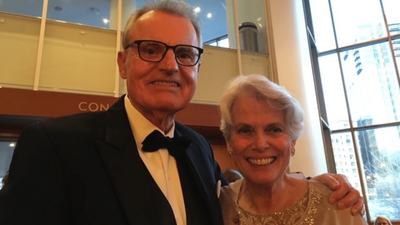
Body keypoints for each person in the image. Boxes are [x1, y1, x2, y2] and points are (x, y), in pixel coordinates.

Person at [0, 1, 363, 224]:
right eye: (152, 49)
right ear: (123, 63)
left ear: (197, 69)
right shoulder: (54, 146)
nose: (170, 65)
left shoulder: (198, 149)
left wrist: (322, 184)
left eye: (185, 54)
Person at [218, 74, 368, 224]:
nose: (260, 144)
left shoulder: (338, 204)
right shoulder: (218, 207)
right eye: (245, 130)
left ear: (293, 141)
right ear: (229, 142)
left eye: (274, 129)